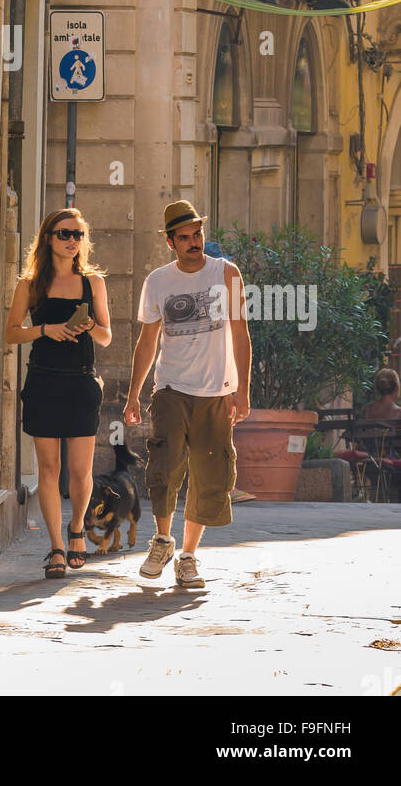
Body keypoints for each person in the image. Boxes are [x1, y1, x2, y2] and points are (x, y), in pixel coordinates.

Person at [124, 201, 252, 589]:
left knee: (210, 473)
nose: (194, 242)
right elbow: (147, 342)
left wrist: (242, 390)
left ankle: (188, 557)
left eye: (197, 234)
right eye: (185, 237)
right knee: (164, 462)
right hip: (171, 387)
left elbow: (241, 334)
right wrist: (133, 395)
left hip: (217, 390)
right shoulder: (159, 282)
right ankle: (162, 540)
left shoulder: (227, 273)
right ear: (170, 243)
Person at [5, 209, 112, 578]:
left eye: (79, 235)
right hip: (44, 382)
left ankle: (78, 527)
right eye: (65, 233)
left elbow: (106, 336)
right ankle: (55, 547)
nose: (72, 241)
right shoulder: (30, 285)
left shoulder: (93, 283)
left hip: (81, 382)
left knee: (81, 472)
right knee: (49, 469)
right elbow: (11, 332)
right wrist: (45, 329)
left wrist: (90, 324)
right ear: (48, 237)